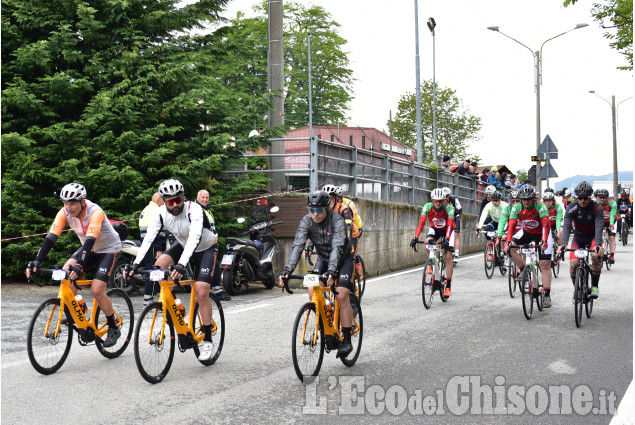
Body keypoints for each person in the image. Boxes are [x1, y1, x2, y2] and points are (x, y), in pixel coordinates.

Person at [128, 179, 220, 361]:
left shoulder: (194, 209)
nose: (175, 204)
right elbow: (148, 241)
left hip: (206, 247)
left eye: (178, 199)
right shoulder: (160, 214)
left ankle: (208, 340)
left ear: (183, 197)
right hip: (183, 244)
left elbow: (194, 238)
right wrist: (135, 265)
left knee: (201, 291)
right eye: (170, 201)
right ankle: (176, 307)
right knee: (158, 267)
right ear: (163, 201)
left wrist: (181, 265)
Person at [26, 183, 123, 347]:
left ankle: (113, 327)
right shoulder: (64, 212)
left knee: (97, 290)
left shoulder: (95, 212)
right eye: (65, 203)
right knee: (65, 274)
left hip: (108, 249)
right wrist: (36, 261)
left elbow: (91, 238)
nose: (68, 208)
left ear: (82, 202)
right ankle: (78, 313)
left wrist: (80, 265)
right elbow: (51, 238)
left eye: (72, 203)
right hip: (89, 248)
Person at [279, 190, 355, 358]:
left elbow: (337, 247)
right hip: (323, 258)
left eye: (319, 210)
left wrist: (331, 271)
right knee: (313, 290)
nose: (315, 214)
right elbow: (298, 246)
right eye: (311, 209)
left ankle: (347, 338)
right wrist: (287, 271)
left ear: (327, 208)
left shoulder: (337, 221)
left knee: (342, 296)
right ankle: (327, 325)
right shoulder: (306, 221)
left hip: (343, 259)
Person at [504, 185, 554, 307]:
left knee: (545, 265)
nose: (526, 202)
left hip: (543, 233)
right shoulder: (516, 207)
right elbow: (511, 224)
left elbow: (545, 224)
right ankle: (523, 270)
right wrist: (509, 240)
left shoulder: (540, 206)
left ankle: (547, 295)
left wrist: (543, 240)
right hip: (526, 232)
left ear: (533, 198)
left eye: (529, 199)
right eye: (524, 199)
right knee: (509, 249)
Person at [558, 181, 604, 300]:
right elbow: (567, 226)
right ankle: (577, 289)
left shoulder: (597, 208)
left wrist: (598, 245)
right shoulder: (571, 207)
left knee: (595, 257)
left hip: (593, 237)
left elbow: (599, 227)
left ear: (589, 197)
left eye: (585, 198)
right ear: (576, 197)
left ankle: (594, 286)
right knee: (573, 265)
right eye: (580, 198)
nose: (582, 200)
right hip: (579, 238)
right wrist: (564, 244)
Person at [410, 188, 456, 297]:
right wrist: (416, 237)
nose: (438, 203)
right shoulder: (427, 207)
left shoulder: (449, 208)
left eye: (440, 200)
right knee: (428, 242)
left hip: (448, 230)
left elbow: (450, 225)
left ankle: (448, 286)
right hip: (435, 229)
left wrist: (447, 239)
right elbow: (421, 223)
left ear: (444, 200)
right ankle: (431, 262)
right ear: (432, 200)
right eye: (436, 201)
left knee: (448, 256)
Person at [196, 189, 231, 301]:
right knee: (211, 267)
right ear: (198, 198)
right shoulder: (197, 209)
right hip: (204, 245)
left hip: (210, 243)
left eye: (207, 197)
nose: (205, 199)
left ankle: (217, 291)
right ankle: (216, 292)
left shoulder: (206, 210)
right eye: (203, 197)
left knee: (213, 267)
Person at [139, 192, 167, 307]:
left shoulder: (147, 209)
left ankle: (149, 298)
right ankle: (149, 299)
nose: (165, 203)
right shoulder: (156, 211)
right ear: (159, 200)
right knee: (155, 270)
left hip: (146, 244)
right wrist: (160, 249)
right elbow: (156, 233)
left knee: (150, 269)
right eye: (164, 200)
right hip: (154, 245)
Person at [594, 188, 617, 264]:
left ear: (607, 197)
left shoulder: (612, 203)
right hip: (601, 222)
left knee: (611, 238)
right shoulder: (596, 203)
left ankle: (612, 255)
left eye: (604, 197)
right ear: (598, 197)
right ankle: (600, 253)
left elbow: (612, 214)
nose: (602, 199)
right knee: (598, 237)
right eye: (600, 197)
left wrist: (611, 224)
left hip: (611, 221)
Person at [442, 187, 462, 260]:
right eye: (444, 196)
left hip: (455, 216)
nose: (445, 198)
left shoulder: (454, 200)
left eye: (447, 196)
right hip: (446, 218)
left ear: (449, 195)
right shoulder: (440, 201)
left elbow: (460, 210)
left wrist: (454, 210)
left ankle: (456, 253)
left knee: (456, 234)